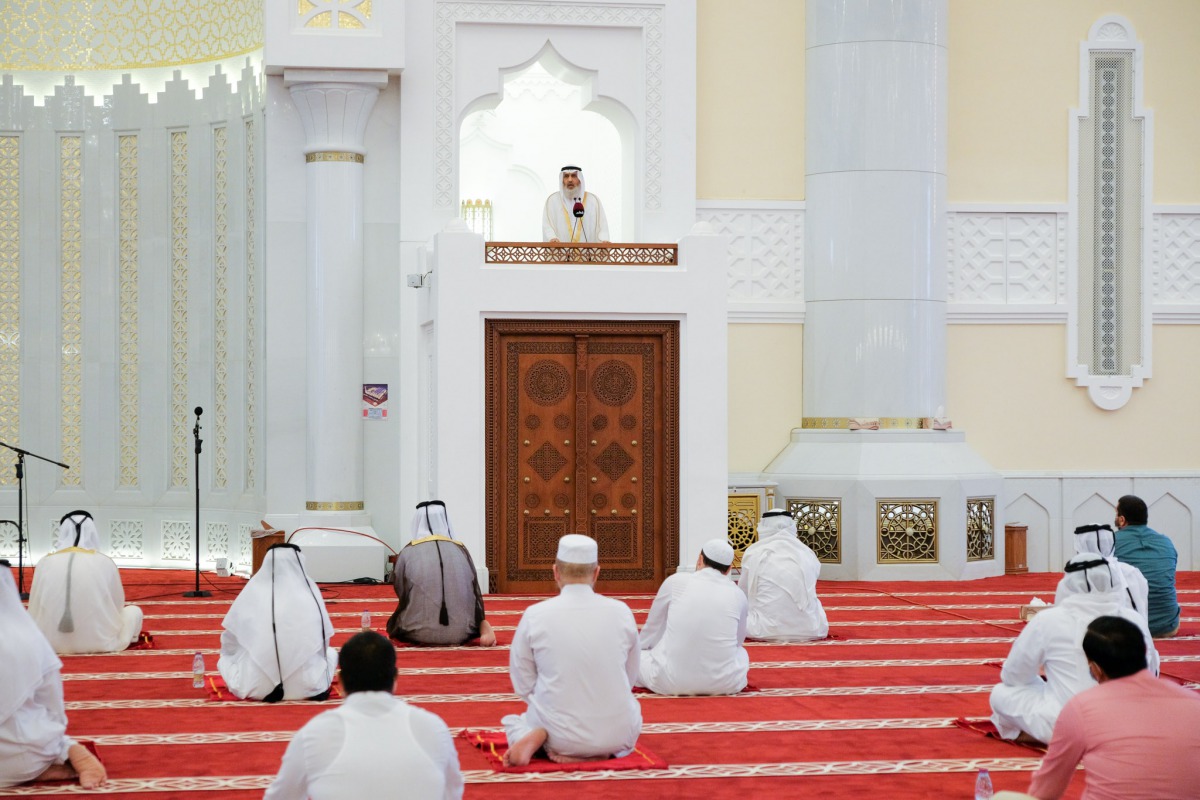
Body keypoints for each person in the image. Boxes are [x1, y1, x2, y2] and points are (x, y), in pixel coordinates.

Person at [264, 631, 463, 799]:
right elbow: (452, 793)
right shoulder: (433, 728)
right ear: (395, 678)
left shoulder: (314, 735)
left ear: (340, 683)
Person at [989, 553, 1159, 745]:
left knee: (1001, 693)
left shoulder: (1049, 620)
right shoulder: (1133, 617)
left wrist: (1049, 683)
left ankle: (1029, 735)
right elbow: (1151, 670)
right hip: (1132, 724)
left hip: (1071, 727)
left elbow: (1014, 676)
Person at [502, 534, 642, 766]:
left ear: (555, 572)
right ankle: (600, 749)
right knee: (630, 712)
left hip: (559, 733)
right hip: (618, 734)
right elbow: (630, 676)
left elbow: (523, 683)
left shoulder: (535, 614)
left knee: (517, 721)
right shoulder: (622, 611)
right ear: (597, 572)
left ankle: (538, 738)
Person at [1025, 615, 1200, 799]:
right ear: (1145, 652)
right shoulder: (1193, 702)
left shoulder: (1082, 707)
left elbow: (1046, 791)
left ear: (1095, 669)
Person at [0, 560, 107, 789]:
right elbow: (53, 707)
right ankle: (62, 753)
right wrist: (56, 742)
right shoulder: (28, 638)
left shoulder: (48, 563)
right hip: (24, 757)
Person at [217, 543, 337, 701]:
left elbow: (229, 642)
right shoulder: (310, 593)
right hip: (307, 687)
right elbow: (323, 644)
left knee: (225, 659)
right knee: (331, 654)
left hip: (257, 687)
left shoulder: (253, 591)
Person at [636, 538, 750, 696]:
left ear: (700, 559)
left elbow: (652, 629)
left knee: (638, 656)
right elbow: (738, 641)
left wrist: (641, 649)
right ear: (729, 569)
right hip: (724, 684)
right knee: (742, 654)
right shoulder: (738, 594)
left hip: (670, 682)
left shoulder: (676, 581)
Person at [27, 511, 143, 654]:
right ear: (92, 533)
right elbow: (117, 604)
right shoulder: (105, 562)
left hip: (47, 642)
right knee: (134, 611)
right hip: (99, 641)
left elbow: (34, 604)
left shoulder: (44, 562)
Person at [386, 500, 496, 647]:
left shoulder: (408, 552)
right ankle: (483, 626)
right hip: (462, 631)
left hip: (415, 632)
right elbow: (474, 592)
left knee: (395, 622)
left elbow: (400, 589)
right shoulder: (460, 550)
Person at [738, 509, 829, 641]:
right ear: (792, 527)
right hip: (811, 629)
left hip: (762, 630)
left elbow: (743, 595)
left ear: (763, 527)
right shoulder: (807, 554)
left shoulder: (753, 553)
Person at [1113, 495, 1181, 637]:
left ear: (1122, 519)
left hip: (1129, 628)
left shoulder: (1111, 542)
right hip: (1167, 625)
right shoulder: (1166, 542)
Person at [1053, 523, 1148, 618]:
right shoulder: (1131, 572)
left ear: (1080, 545)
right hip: (1131, 628)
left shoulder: (1077, 574)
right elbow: (1142, 607)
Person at [542, 165, 610, 243]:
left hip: (588, 254)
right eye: (566, 176)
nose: (570, 180)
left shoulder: (593, 201)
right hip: (561, 253)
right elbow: (547, 225)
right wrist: (552, 238)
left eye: (574, 176)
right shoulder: (552, 201)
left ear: (580, 179)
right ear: (562, 180)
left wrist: (604, 240)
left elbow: (602, 226)